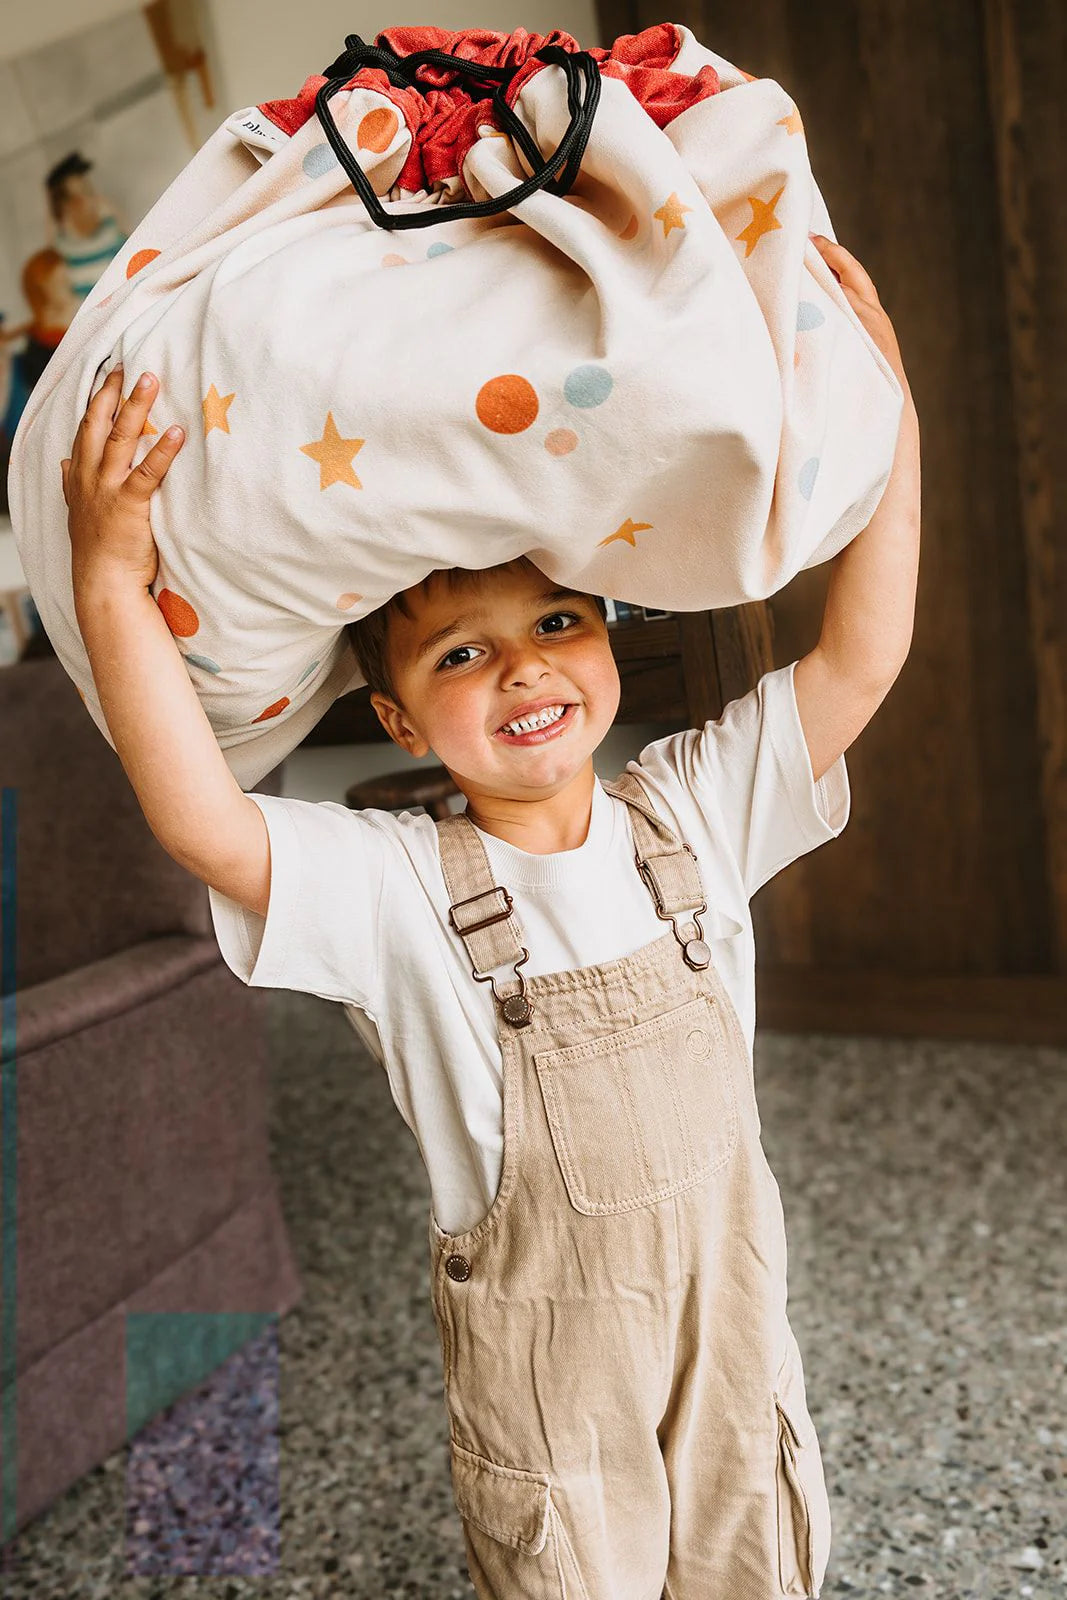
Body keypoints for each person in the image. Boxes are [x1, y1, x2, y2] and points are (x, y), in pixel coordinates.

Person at [61, 233, 920, 1598]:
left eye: (557, 624)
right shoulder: (395, 888)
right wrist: (112, 578)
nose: (523, 667)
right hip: (550, 1393)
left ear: (607, 638)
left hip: (731, 1337)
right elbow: (203, 823)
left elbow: (860, 657)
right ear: (399, 721)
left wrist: (882, 408)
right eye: (462, 653)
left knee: (751, 1555)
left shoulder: (692, 809)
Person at [44, 152, 129, 304]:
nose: (88, 201)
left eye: (88, 192)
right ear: (64, 207)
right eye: (75, 199)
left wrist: (115, 214)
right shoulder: (63, 252)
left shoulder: (112, 235)